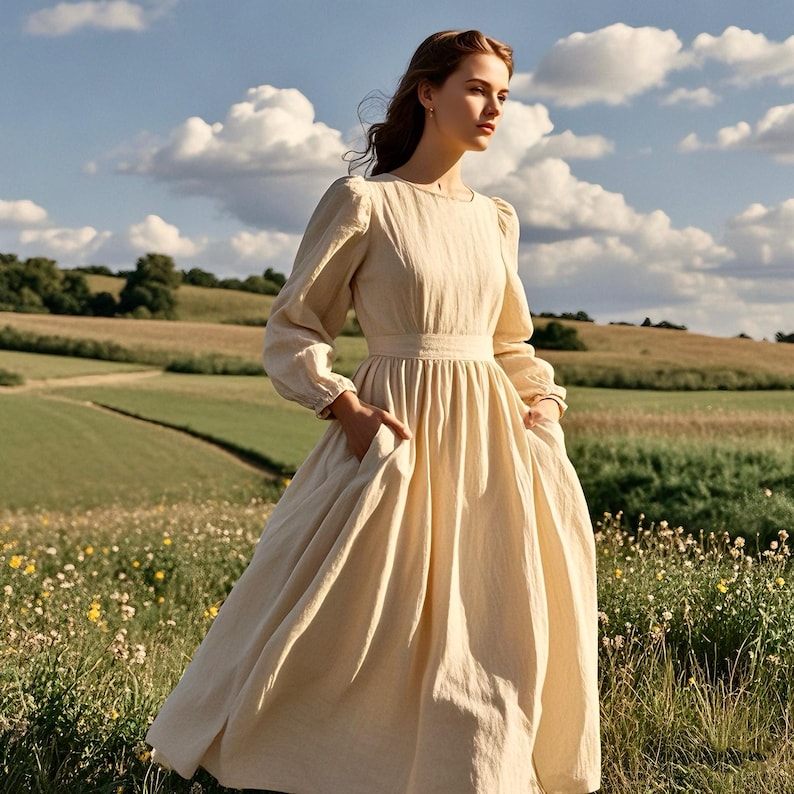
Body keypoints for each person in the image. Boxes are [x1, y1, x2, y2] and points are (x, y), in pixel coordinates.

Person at [146, 29, 601, 794]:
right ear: (428, 91)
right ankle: (303, 760)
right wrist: (345, 407)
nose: (493, 108)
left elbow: (509, 343)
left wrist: (543, 408)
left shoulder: (496, 219)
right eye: (476, 88)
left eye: (502, 96)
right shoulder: (365, 201)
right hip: (395, 438)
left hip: (491, 448)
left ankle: (480, 774)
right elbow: (294, 328)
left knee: (488, 627)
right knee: (351, 624)